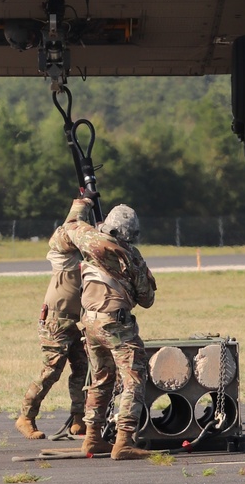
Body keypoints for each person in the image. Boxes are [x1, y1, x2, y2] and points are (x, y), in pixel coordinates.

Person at [52, 201, 157, 460]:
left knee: (100, 379)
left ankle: (93, 439)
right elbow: (147, 299)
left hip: (89, 322)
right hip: (115, 323)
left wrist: (81, 203)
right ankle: (124, 441)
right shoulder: (131, 255)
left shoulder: (89, 241)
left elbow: (71, 225)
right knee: (133, 377)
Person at [14, 196, 92, 441]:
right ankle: (26, 417)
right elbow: (70, 227)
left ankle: (79, 419)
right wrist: (81, 205)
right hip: (55, 322)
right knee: (51, 371)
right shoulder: (61, 255)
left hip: (75, 323)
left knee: (84, 369)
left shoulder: (83, 258)